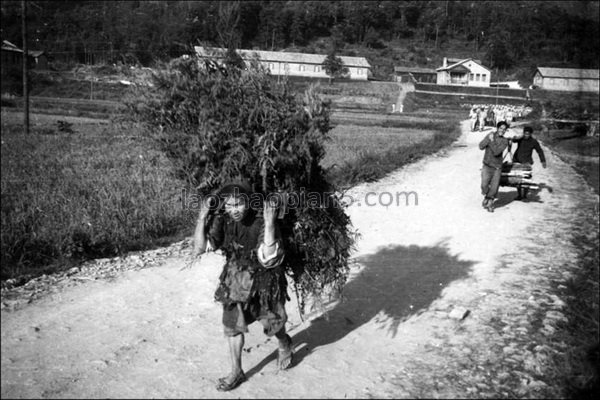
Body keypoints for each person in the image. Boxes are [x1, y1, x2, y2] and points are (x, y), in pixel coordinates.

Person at [190, 182, 293, 391]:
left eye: (238, 204)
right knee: (231, 325)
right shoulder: (223, 220)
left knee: (272, 321)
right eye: (228, 205)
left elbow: (268, 259)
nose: (233, 210)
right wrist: (202, 217)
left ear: (249, 202)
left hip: (265, 279)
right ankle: (236, 371)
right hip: (235, 279)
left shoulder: (262, 219)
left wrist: (270, 223)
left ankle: (284, 343)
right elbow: (199, 248)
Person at [479, 121, 510, 212]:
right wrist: (488, 139)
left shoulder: (505, 141)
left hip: (497, 167)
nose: (502, 131)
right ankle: (487, 196)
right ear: (497, 128)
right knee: (484, 186)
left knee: (494, 187)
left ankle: (490, 203)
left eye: (504, 129)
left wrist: (491, 141)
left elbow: (497, 152)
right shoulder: (490, 135)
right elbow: (481, 146)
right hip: (487, 165)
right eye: (501, 128)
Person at [510, 126, 547, 200]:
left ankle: (525, 195)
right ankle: (520, 195)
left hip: (527, 162)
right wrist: (517, 137)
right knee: (517, 178)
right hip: (517, 160)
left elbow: (539, 151)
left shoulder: (534, 141)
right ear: (523, 133)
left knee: (526, 179)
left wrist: (543, 161)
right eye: (525, 134)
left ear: (531, 134)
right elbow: (513, 140)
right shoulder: (520, 139)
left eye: (528, 134)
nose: (526, 135)